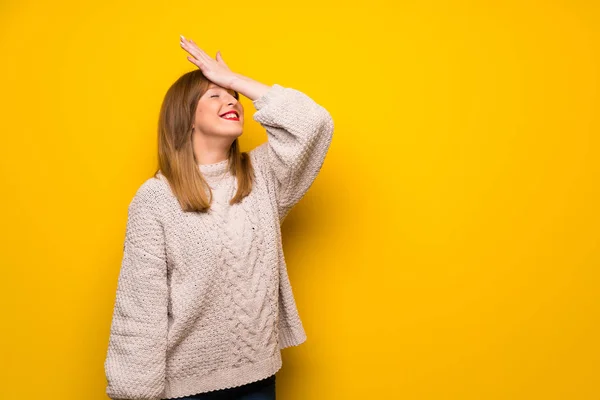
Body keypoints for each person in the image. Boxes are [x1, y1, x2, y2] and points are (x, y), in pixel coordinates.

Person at [103, 35, 334, 400]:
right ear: (186, 117)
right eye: (215, 95)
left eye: (234, 96)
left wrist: (235, 79)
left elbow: (314, 123)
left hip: (260, 380)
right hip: (186, 390)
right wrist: (134, 394)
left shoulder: (263, 176)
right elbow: (139, 310)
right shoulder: (156, 199)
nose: (231, 101)